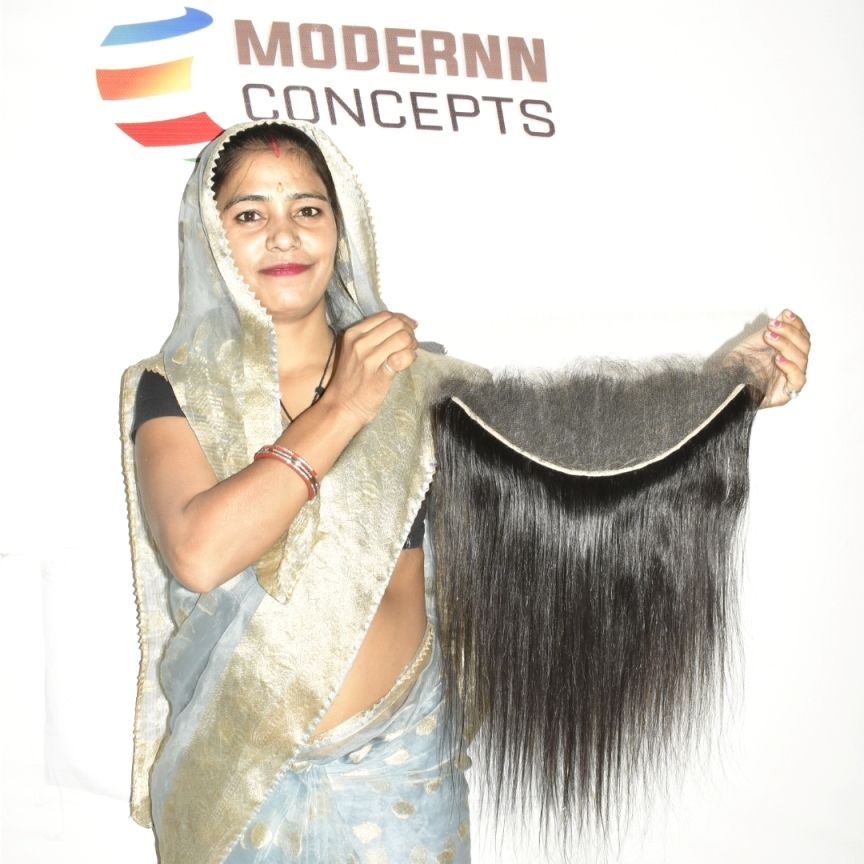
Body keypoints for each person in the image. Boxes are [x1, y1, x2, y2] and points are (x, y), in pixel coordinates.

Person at [120, 120, 810, 864]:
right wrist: (346, 405)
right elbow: (198, 552)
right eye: (250, 214)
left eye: (308, 209)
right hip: (233, 783)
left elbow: (576, 468)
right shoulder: (173, 389)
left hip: (403, 780)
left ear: (341, 229)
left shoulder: (419, 382)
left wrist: (728, 391)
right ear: (213, 239)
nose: (283, 234)